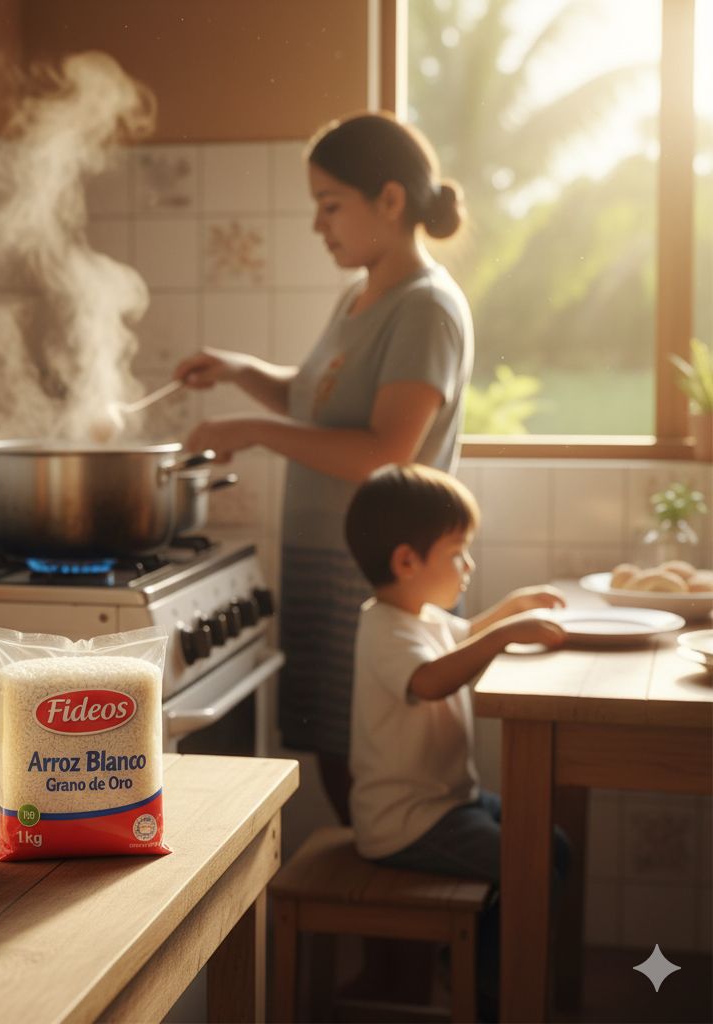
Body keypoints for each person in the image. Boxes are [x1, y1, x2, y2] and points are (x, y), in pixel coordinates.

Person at [173, 112, 473, 822]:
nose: (318, 225)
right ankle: (382, 904)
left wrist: (252, 431)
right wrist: (242, 372)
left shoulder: (426, 307)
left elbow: (383, 451)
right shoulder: (360, 296)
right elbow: (322, 402)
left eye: (330, 205)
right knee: (340, 759)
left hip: (380, 574)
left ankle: (399, 919)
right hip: (328, 557)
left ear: (390, 200)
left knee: (379, 777)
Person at [344, 462, 571, 1015]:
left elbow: (462, 638)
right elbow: (430, 679)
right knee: (530, 861)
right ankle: (491, 988)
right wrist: (504, 635)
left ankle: (484, 966)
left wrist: (510, 610)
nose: (468, 566)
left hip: (448, 803)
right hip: (408, 824)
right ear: (406, 561)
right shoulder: (385, 629)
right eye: (456, 552)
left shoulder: (421, 615)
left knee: (554, 847)